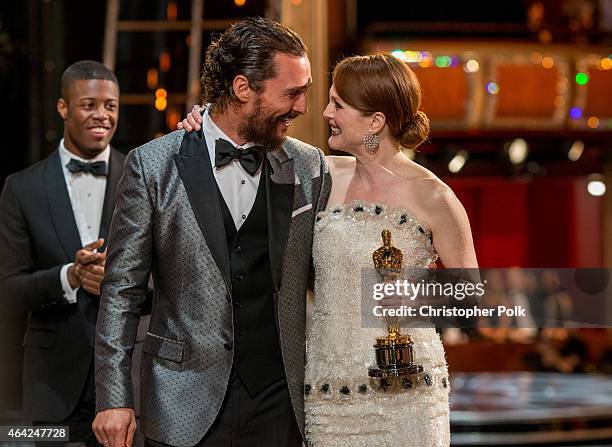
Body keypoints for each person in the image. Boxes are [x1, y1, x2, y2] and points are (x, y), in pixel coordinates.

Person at [182, 52, 478, 446]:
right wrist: (203, 121)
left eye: (338, 104)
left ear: (375, 121)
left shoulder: (434, 197)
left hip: (404, 397)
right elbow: (243, 137)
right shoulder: (321, 174)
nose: (324, 113)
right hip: (327, 399)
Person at [93, 17, 330, 447]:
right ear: (243, 89)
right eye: (293, 92)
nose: (302, 107)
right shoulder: (153, 166)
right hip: (180, 402)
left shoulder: (309, 166)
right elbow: (121, 292)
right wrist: (113, 398)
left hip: (280, 404)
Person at [0, 60, 123, 446]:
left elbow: (170, 278)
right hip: (49, 386)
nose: (101, 115)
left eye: (111, 106)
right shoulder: (22, 189)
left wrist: (117, 284)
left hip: (125, 384)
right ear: (63, 108)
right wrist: (68, 277)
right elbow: (8, 290)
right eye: (89, 104)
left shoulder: (144, 177)